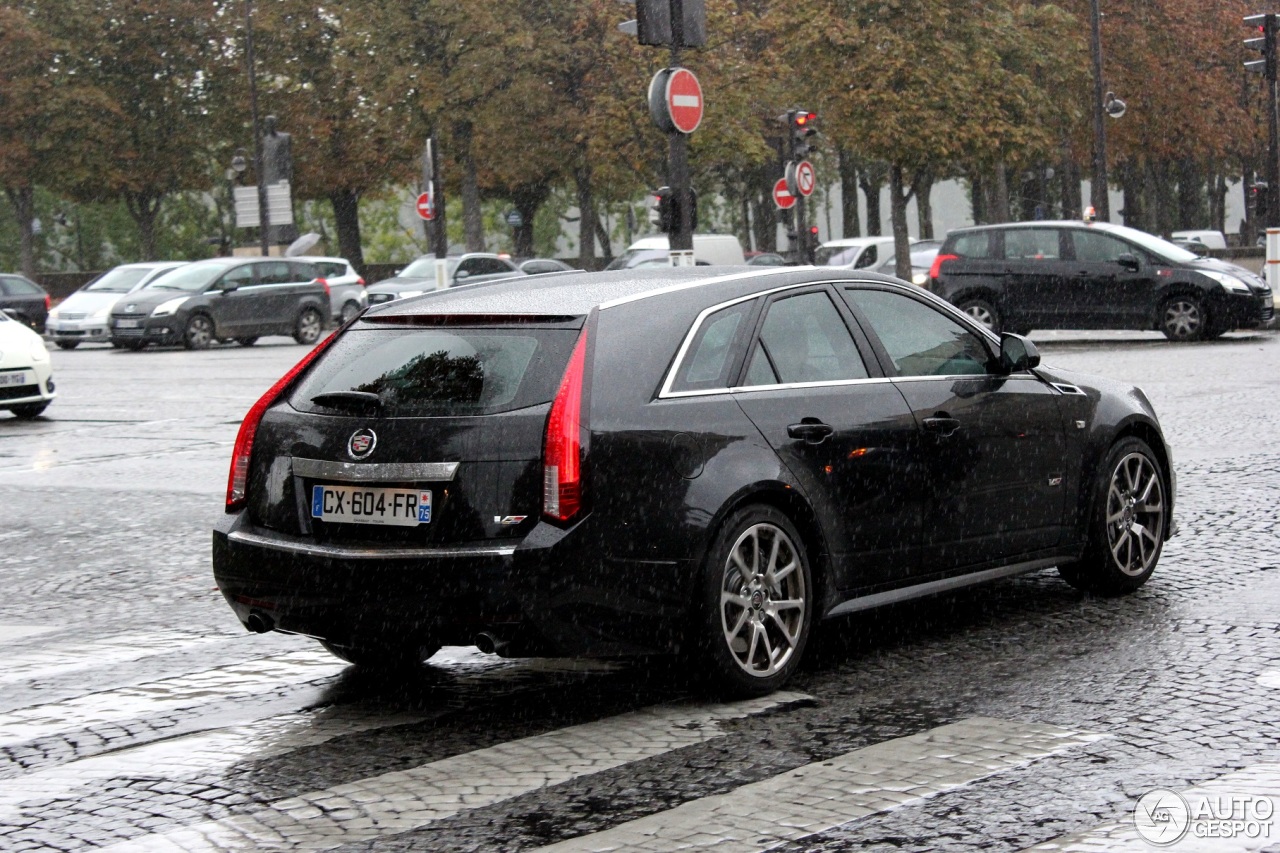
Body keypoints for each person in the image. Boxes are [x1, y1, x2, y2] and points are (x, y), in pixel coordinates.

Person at [261, 115, 292, 185]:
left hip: (281, 175)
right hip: (269, 175)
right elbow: (265, 158)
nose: (269, 125)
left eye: (271, 123)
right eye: (267, 123)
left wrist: (286, 176)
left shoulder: (284, 138)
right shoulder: (265, 140)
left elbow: (287, 158)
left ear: (275, 124)